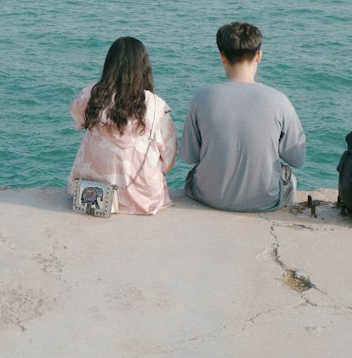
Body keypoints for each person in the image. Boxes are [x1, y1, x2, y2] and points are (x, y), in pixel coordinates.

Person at [181, 21, 306, 211]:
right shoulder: (279, 101)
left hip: (209, 198)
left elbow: (190, 157)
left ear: (222, 57)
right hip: (265, 201)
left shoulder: (201, 98)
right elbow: (297, 159)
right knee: (289, 177)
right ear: (258, 56)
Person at [68, 36, 177, 215]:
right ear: (144, 68)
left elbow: (79, 120)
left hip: (91, 192)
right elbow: (168, 159)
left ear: (109, 64)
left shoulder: (92, 95)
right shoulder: (156, 107)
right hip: (142, 199)